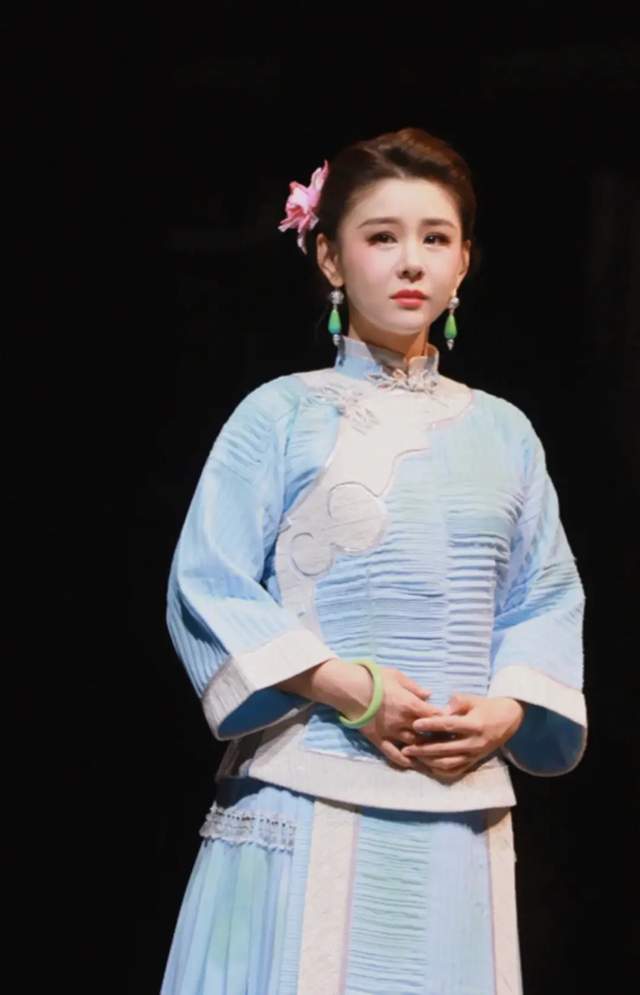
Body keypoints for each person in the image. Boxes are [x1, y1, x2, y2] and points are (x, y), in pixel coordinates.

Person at [159, 127, 587, 995]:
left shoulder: (505, 431)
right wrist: (348, 687)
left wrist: (508, 709)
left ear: (464, 263)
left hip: (459, 802)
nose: (411, 262)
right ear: (329, 255)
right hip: (307, 789)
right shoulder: (279, 414)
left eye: (436, 237)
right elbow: (206, 581)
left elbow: (544, 595)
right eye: (381, 236)